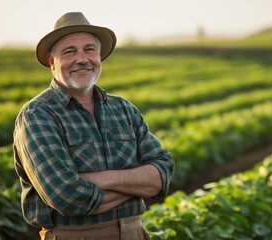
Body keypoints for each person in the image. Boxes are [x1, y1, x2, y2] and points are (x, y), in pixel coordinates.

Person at [13, 12, 175, 240]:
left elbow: (163, 173)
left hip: (135, 233)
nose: (82, 59)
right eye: (70, 51)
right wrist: (135, 188)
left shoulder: (123, 109)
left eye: (90, 49)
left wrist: (102, 179)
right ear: (52, 61)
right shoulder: (38, 114)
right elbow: (67, 196)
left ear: (99, 56)